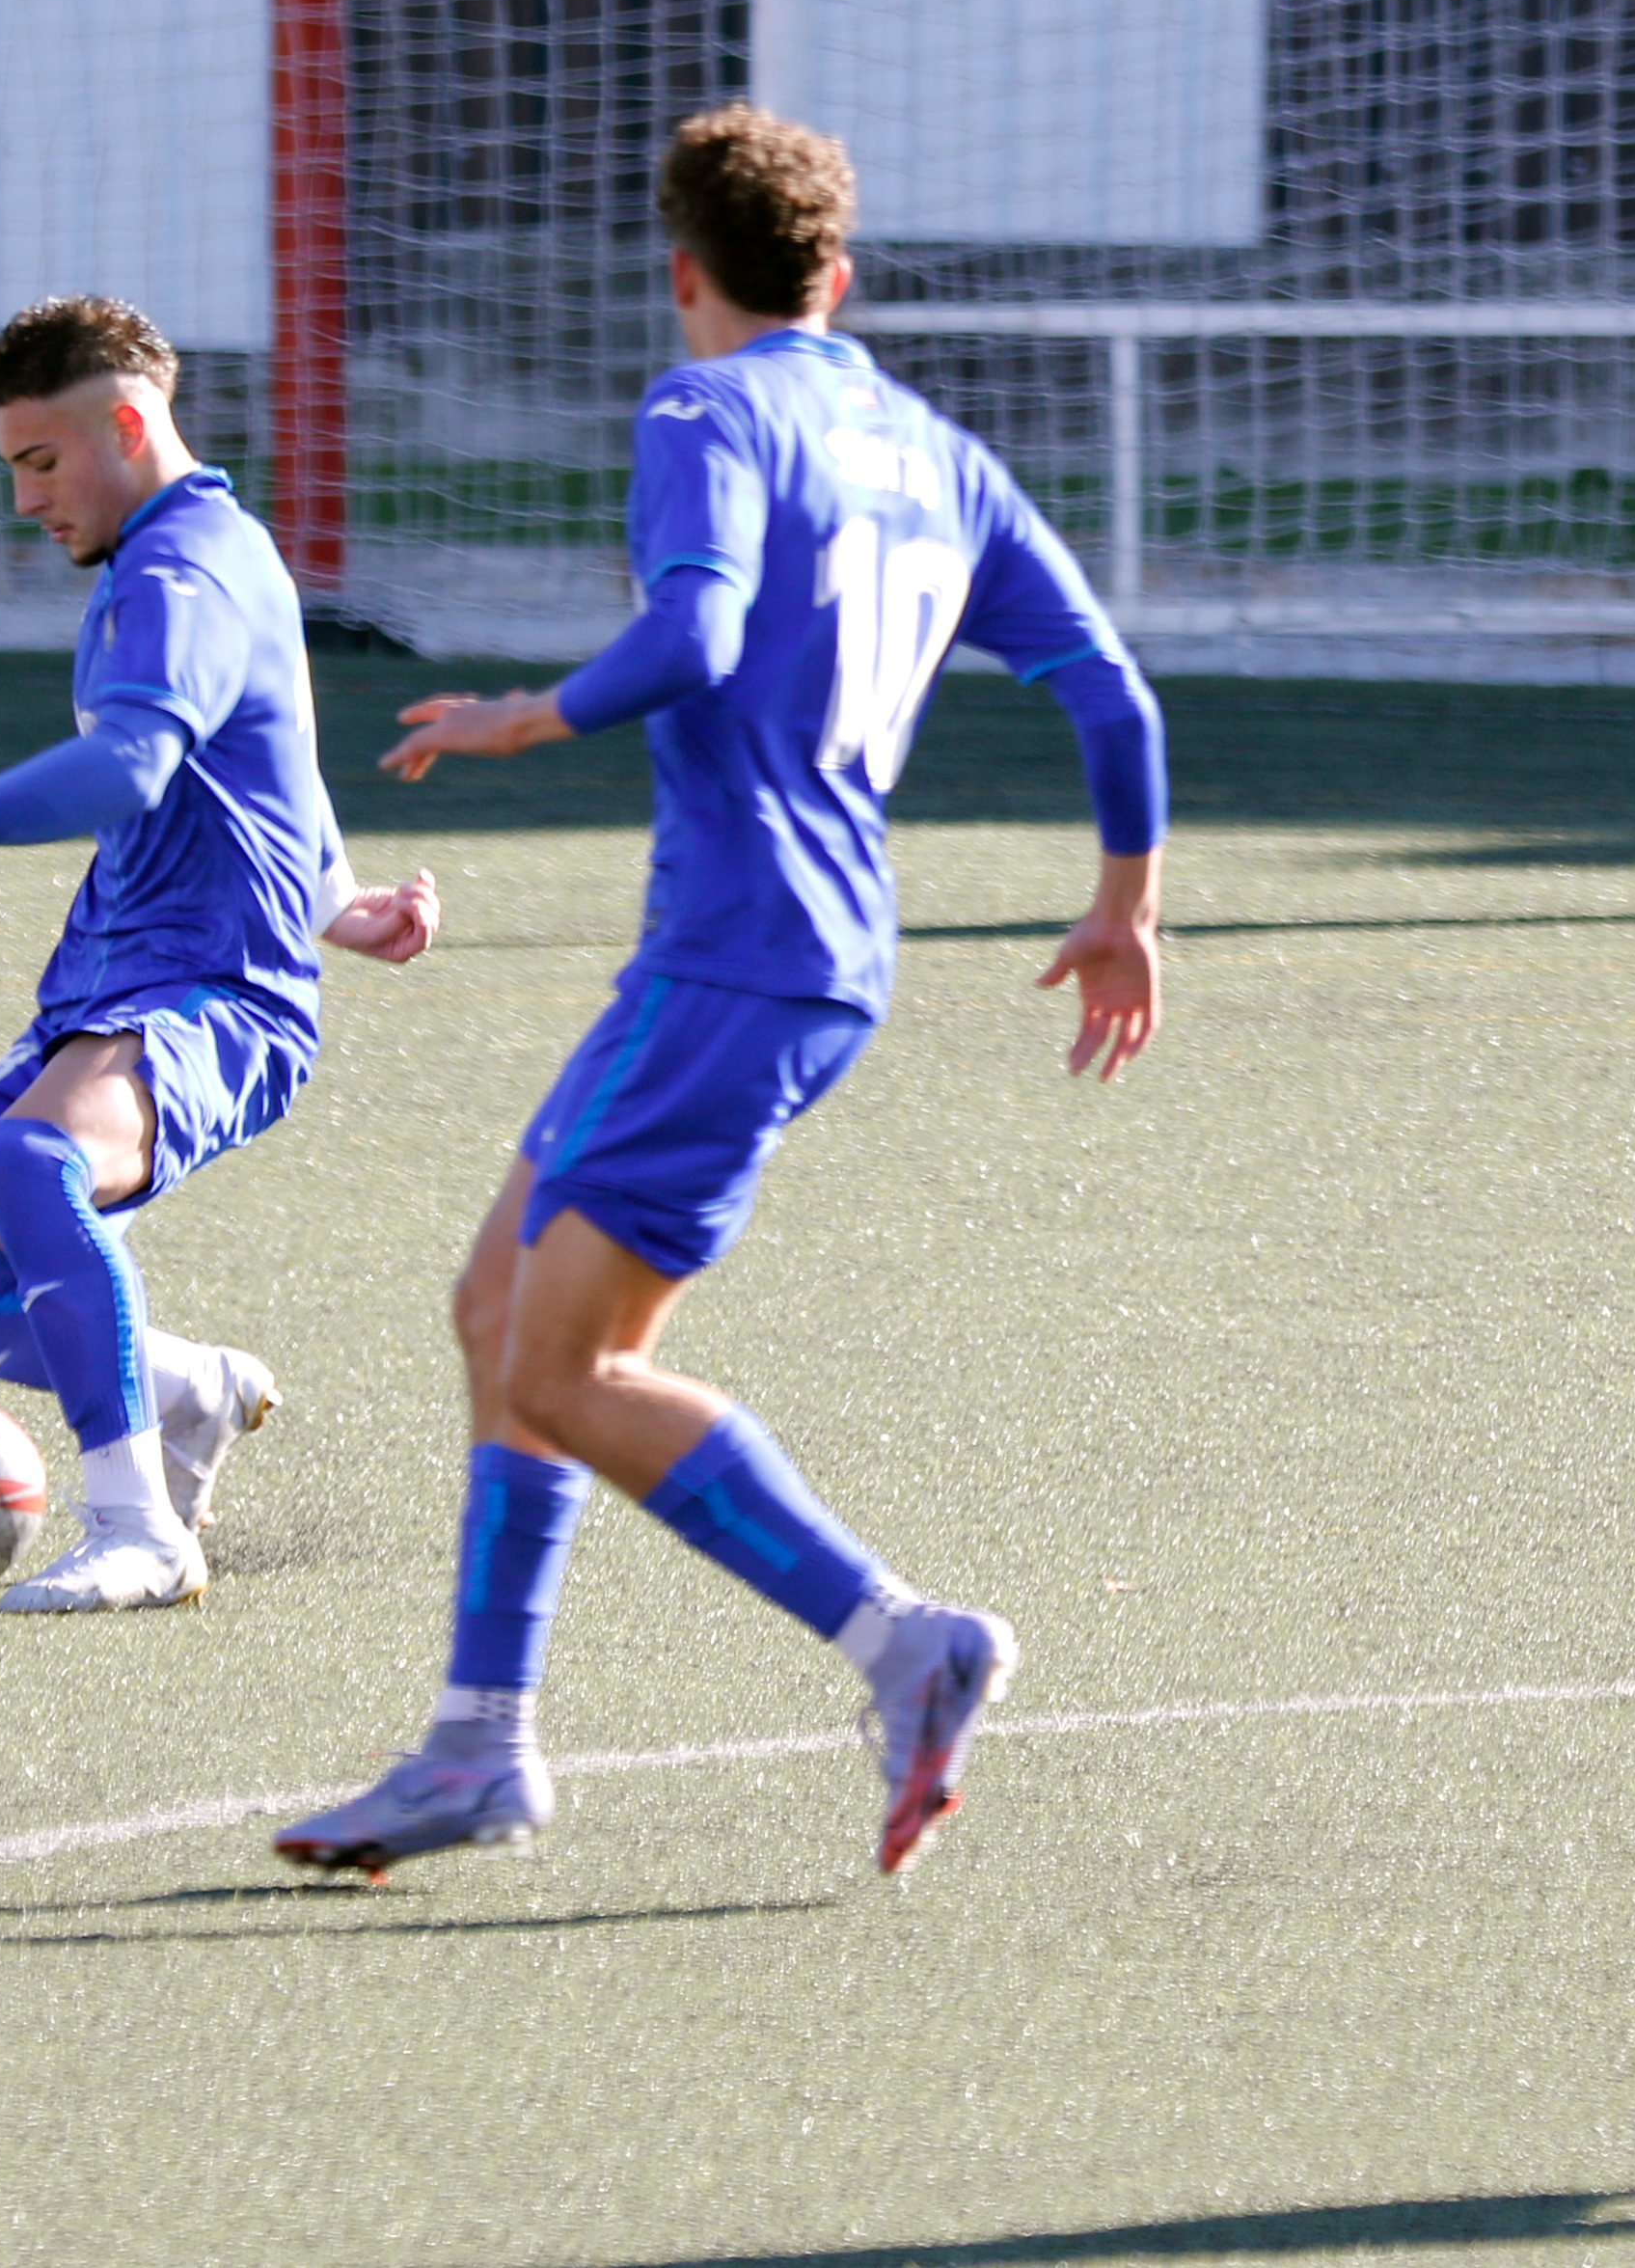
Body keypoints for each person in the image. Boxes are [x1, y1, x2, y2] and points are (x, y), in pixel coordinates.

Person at [272, 105, 1165, 1882]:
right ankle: (476, 1745)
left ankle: (901, 1637)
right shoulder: (934, 452)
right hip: (775, 955)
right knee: (492, 1309)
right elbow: (1112, 695)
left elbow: (690, 631)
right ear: (834, 276)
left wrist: (514, 714)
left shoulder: (702, 408)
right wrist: (1123, 910)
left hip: (741, 960)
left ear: (681, 272)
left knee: (569, 1359)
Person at [0, 295, 442, 1615]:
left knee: (36, 1160)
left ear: (129, 423)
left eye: (39, 462)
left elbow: (135, 765)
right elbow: (268, 760)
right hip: (110, 982)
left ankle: (139, 1527)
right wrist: (337, 901)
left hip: (214, 992)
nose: (24, 498)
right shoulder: (195, 553)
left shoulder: (180, 569)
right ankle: (189, 1388)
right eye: (11, 465)